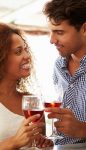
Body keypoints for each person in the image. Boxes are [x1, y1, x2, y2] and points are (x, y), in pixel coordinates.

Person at [43, 0, 86, 146]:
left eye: (59, 32)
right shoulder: (58, 65)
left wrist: (82, 129)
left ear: (84, 29)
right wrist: (49, 136)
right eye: (51, 31)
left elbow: (78, 129)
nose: (51, 40)